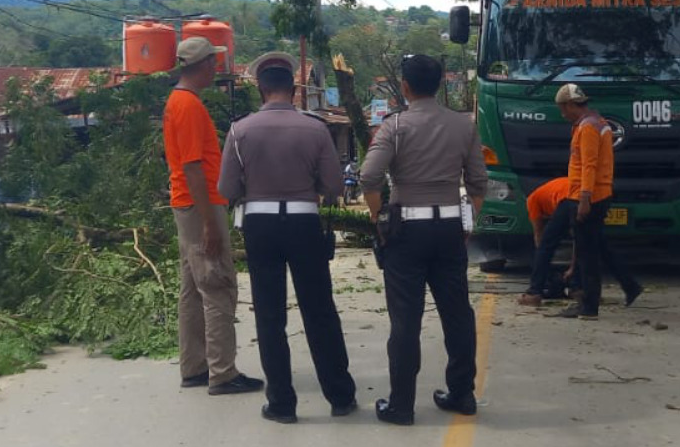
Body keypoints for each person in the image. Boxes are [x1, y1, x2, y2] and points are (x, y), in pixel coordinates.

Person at [218, 52, 357, 424]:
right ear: (294, 90)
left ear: (262, 90)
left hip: (260, 226)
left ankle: (281, 403)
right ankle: (341, 396)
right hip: (304, 224)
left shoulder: (239, 130)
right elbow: (333, 187)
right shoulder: (315, 128)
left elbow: (227, 187)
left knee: (269, 314)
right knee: (320, 310)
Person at [360, 54, 487, 426]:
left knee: (405, 320)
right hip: (449, 229)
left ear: (405, 86)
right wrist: (468, 223)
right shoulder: (463, 125)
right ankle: (463, 395)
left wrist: (377, 217)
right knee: (458, 315)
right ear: (440, 85)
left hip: (406, 232)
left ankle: (401, 405)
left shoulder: (394, 127)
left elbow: (369, 178)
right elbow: (478, 183)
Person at [162, 37, 263, 395]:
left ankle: (194, 366)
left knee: (192, 287)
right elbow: (192, 166)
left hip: (186, 203)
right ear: (204, 64)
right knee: (217, 283)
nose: (217, 68)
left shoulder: (178, 101)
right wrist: (209, 222)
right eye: (214, 62)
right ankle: (222, 372)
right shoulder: (188, 106)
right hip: (198, 204)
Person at [517, 177, 641, 307]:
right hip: (593, 198)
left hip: (571, 198)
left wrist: (564, 268)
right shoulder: (551, 193)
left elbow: (539, 236)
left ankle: (534, 292)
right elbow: (579, 240)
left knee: (546, 246)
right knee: (599, 245)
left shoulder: (532, 201)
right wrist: (572, 268)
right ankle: (629, 286)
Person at [553, 83, 614, 320]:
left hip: (587, 196)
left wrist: (584, 199)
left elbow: (589, 165)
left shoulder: (587, 128)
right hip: (600, 194)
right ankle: (589, 302)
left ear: (570, 105)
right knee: (591, 252)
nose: (562, 114)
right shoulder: (599, 123)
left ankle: (588, 307)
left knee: (587, 255)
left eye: (562, 108)